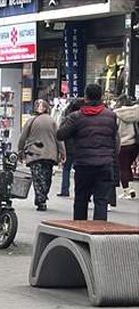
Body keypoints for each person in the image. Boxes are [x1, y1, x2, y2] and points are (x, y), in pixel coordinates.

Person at [57, 83, 120, 221]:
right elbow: (115, 140)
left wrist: (67, 116)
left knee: (81, 199)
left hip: (84, 164)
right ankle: (99, 233)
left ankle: (80, 231)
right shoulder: (111, 116)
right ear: (102, 97)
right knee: (101, 200)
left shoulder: (76, 117)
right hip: (105, 164)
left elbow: (60, 134)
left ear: (85, 97)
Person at [18, 99, 66, 211]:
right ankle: (43, 195)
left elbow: (22, 138)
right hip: (49, 154)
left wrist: (20, 150)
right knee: (47, 177)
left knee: (37, 177)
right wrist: (62, 153)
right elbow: (59, 138)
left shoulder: (30, 121)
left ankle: (40, 198)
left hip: (34, 153)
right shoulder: (52, 121)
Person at [57, 98, 84, 197]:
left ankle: (65, 190)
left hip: (68, 148)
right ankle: (82, 192)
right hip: (81, 148)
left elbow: (60, 133)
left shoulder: (68, 118)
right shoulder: (85, 118)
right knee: (80, 171)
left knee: (66, 169)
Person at [113, 94, 138, 199]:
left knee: (123, 168)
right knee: (128, 166)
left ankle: (127, 190)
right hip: (134, 143)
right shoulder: (135, 112)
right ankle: (130, 188)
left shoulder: (116, 114)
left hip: (122, 144)